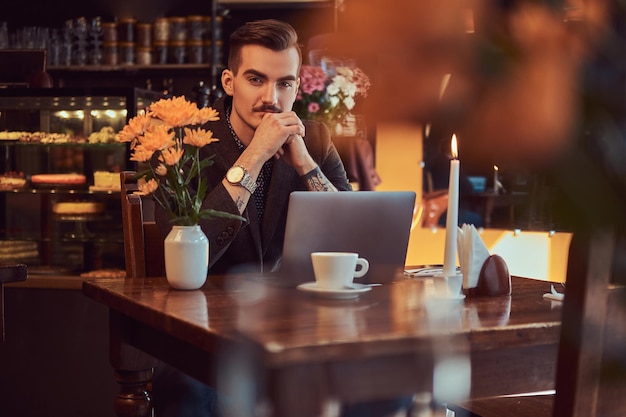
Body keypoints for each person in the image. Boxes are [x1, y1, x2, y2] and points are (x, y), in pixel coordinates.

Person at [153, 19, 412, 417]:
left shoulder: (317, 138)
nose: (271, 97)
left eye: (284, 83)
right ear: (228, 82)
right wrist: (254, 155)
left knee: (390, 381)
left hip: (300, 325)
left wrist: (305, 161)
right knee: (191, 388)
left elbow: (356, 241)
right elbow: (189, 257)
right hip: (205, 330)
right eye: (255, 80)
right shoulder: (185, 142)